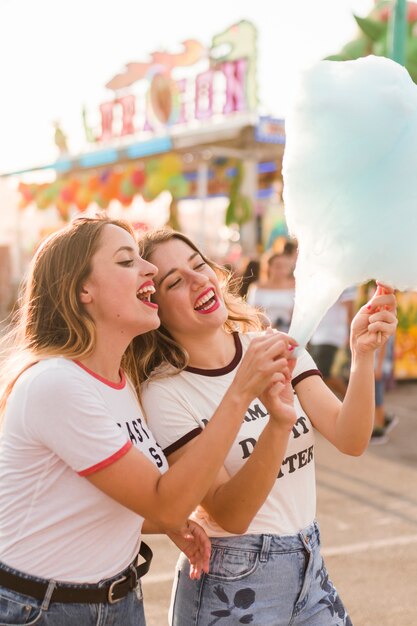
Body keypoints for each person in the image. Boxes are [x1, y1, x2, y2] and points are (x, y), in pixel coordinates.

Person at [0, 216, 295, 626]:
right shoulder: (55, 383)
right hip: (44, 608)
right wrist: (241, 391)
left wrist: (163, 523)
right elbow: (167, 499)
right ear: (83, 289)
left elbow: (95, 497)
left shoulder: (120, 384)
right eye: (126, 261)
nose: (150, 270)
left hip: (118, 599)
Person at [135, 228, 398, 626]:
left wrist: (362, 356)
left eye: (198, 265)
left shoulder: (271, 343)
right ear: (156, 309)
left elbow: (350, 437)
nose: (198, 281)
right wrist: (278, 423)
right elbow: (230, 514)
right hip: (232, 581)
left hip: (309, 565)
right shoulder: (165, 392)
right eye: (174, 282)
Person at [308, 286, 357, 399]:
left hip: (333, 336)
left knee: (323, 374)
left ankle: (354, 402)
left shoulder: (345, 282)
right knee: (319, 375)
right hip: (317, 335)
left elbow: (349, 311)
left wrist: (351, 335)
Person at [246, 251, 295, 331]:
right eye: (278, 266)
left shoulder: (294, 288)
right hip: (264, 331)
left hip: (289, 331)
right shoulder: (257, 287)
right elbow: (252, 312)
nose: (282, 270)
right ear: (269, 267)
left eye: (285, 266)